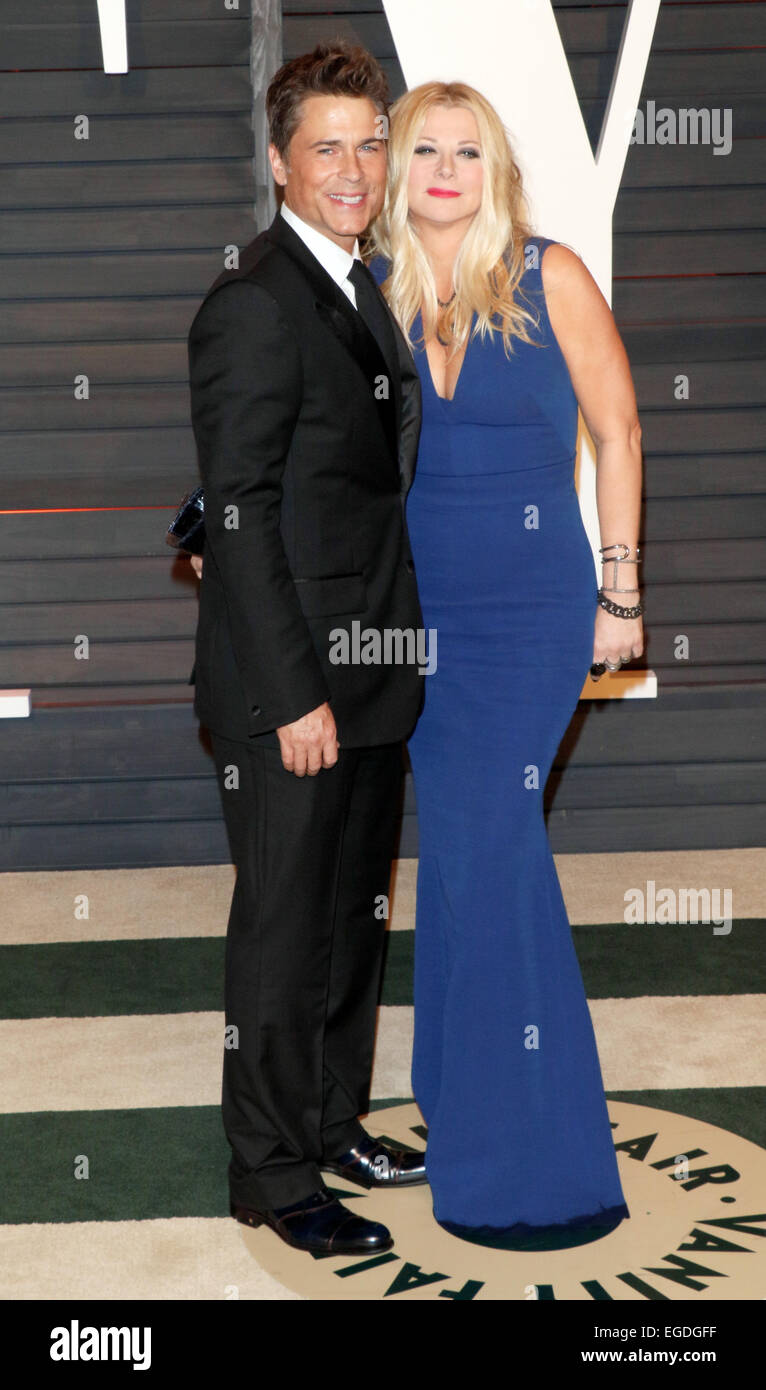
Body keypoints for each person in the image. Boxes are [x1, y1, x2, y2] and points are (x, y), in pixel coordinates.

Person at [365, 81, 643, 1246]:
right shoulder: (368, 294)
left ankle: (537, 1161)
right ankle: (465, 1095)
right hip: (418, 615)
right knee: (470, 855)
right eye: (421, 147)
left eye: (464, 150)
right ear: (394, 171)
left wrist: (622, 596)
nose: (442, 167)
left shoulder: (550, 275)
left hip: (532, 612)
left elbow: (620, 428)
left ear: (495, 169)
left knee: (492, 844)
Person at [186, 42, 430, 1258]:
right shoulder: (253, 299)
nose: (354, 166)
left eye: (369, 141)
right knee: (283, 935)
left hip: (373, 664)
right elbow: (234, 513)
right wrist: (292, 693)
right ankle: (271, 1172)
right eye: (326, 146)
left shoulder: (357, 282)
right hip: (290, 684)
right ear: (281, 163)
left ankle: (333, 1122)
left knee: (351, 921)